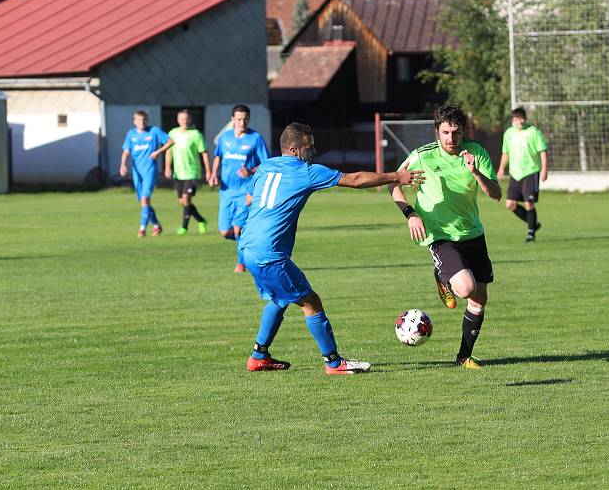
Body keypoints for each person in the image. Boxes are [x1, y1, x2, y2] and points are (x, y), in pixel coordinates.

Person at [239, 122, 425, 375]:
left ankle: (259, 357)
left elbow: (250, 199)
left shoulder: (266, 166)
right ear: (294, 150)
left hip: (247, 248)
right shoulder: (305, 172)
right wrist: (396, 176)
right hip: (269, 253)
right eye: (309, 147)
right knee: (311, 302)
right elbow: (355, 179)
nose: (313, 151)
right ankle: (334, 363)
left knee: (279, 298)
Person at [388, 105, 502, 369]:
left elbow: (496, 194)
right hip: (439, 234)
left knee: (480, 298)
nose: (451, 138)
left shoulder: (476, 152)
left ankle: (464, 356)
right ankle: (443, 276)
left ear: (464, 132)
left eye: (456, 132)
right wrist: (410, 213)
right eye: (446, 132)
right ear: (436, 132)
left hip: (472, 232)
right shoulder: (422, 156)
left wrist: (476, 173)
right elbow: (393, 182)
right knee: (465, 288)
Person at [209, 105, 269, 272]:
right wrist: (213, 174)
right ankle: (249, 242)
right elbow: (218, 156)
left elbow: (266, 163)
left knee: (238, 228)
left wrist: (251, 171)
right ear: (232, 119)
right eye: (239, 119)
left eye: (245, 119)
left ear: (248, 119)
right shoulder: (224, 138)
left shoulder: (255, 138)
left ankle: (242, 262)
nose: (242, 122)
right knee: (224, 231)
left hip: (245, 192)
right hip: (226, 191)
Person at [497, 107, 548, 242]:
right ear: (512, 120)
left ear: (524, 119)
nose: (518, 121)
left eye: (520, 118)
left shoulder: (533, 132)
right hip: (515, 173)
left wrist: (544, 170)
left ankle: (531, 233)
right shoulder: (508, 133)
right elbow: (505, 153)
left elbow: (542, 151)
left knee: (528, 203)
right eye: (515, 119)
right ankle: (534, 223)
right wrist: (501, 168)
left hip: (531, 172)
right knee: (510, 204)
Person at [119, 110, 169, 238]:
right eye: (139, 120)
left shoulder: (154, 131)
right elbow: (126, 151)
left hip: (149, 170)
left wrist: (158, 151)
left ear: (147, 120)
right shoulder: (131, 134)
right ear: (134, 122)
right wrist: (123, 164)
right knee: (143, 202)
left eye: (144, 120)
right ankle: (157, 226)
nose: (142, 122)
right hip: (137, 172)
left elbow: (170, 141)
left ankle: (142, 229)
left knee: (145, 199)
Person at [164, 110, 210, 236]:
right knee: (183, 202)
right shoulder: (172, 133)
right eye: (182, 119)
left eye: (187, 119)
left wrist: (208, 171)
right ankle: (201, 220)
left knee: (186, 199)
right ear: (178, 120)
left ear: (190, 120)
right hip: (178, 173)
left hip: (192, 172)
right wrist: (167, 167)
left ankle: (184, 227)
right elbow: (168, 151)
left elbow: (204, 152)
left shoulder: (196, 134)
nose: (185, 121)